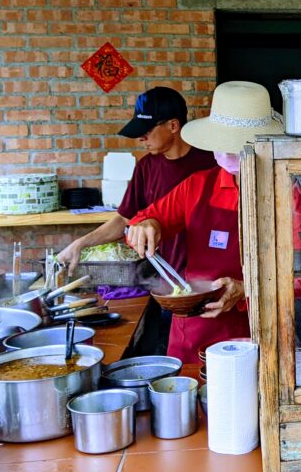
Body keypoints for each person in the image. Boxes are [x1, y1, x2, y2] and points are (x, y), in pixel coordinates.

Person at [125, 81, 301, 363]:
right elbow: (142, 220)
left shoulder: (289, 195)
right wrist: (146, 225)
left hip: (258, 334)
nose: (226, 151)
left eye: (237, 145)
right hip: (193, 334)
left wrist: (247, 288)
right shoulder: (197, 186)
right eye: (222, 142)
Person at [56, 87, 215, 354]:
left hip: (210, 283)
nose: (141, 138)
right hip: (168, 285)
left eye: (147, 130)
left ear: (173, 126)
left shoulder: (212, 163)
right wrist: (80, 244)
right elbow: (124, 219)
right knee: (171, 353)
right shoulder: (146, 167)